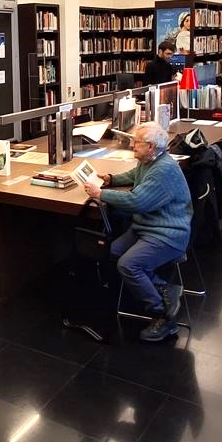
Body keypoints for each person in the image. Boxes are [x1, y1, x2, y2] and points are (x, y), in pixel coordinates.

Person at [81, 122, 192, 342]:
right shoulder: (149, 160)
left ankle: (162, 315)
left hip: (168, 233)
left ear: (151, 146)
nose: (133, 145)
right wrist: (111, 179)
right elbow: (134, 175)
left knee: (128, 264)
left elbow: (137, 202)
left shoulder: (164, 170)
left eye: (137, 143)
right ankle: (161, 289)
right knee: (113, 251)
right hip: (147, 227)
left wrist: (101, 193)